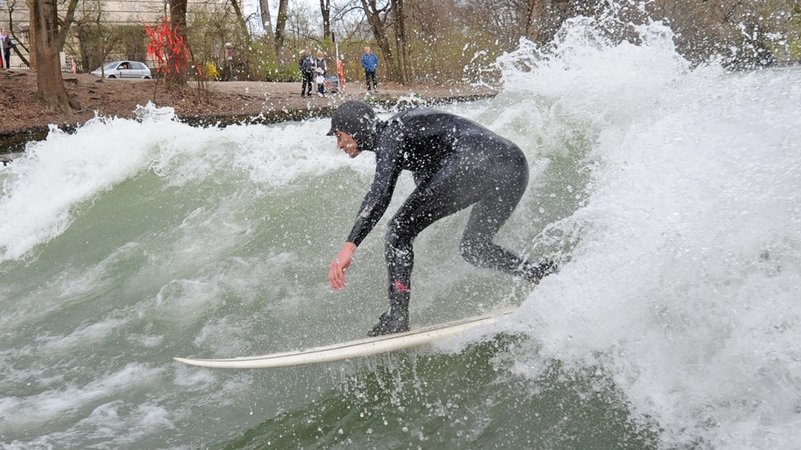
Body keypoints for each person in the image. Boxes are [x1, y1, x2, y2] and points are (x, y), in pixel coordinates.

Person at [326, 101, 556, 336]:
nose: (339, 144)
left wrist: (348, 248)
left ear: (355, 129)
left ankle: (397, 318)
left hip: (477, 161)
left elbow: (380, 194)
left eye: (340, 136)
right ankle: (542, 274)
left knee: (399, 231)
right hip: (513, 164)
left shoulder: (390, 135)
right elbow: (430, 176)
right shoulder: (407, 133)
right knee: (474, 248)